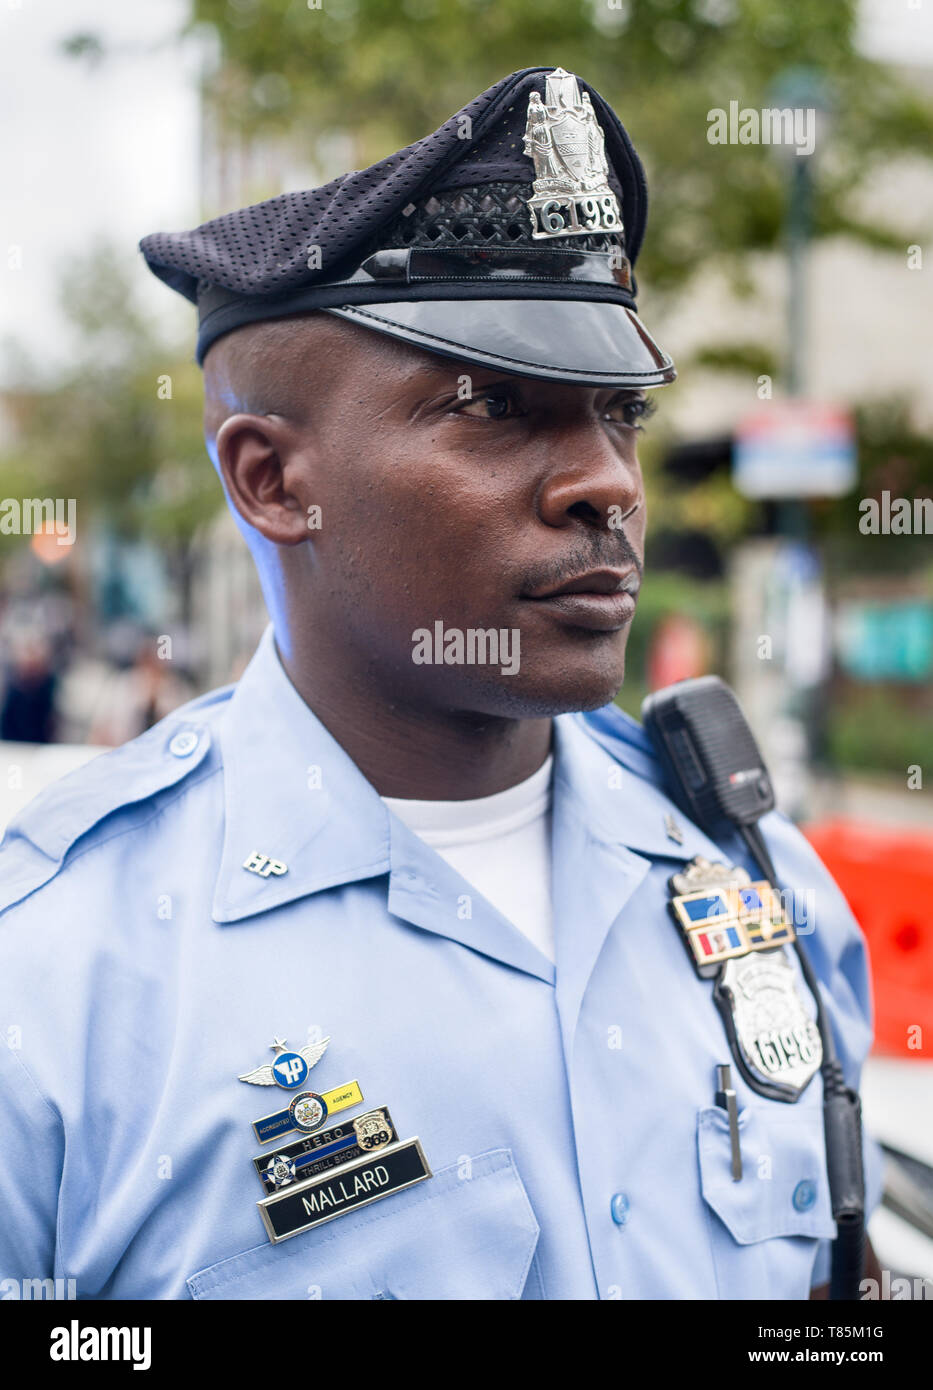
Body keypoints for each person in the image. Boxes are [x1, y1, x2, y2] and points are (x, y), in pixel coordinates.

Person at [0, 66, 881, 1301]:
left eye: (618, 414)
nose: (609, 484)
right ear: (271, 480)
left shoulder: (757, 876)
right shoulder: (54, 973)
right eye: (502, 410)